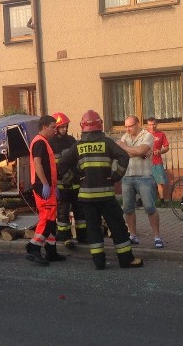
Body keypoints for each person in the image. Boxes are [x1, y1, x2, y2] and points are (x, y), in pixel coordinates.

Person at [58, 110, 141, 270]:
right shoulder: (107, 143)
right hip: (106, 195)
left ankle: (99, 262)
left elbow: (62, 164)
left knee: (93, 228)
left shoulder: (78, 146)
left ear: (83, 126)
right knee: (117, 226)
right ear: (100, 125)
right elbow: (124, 157)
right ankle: (126, 260)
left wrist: (74, 178)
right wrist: (116, 176)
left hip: (86, 197)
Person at [26, 115, 66, 265]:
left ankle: (51, 251)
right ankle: (33, 247)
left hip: (46, 186)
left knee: (50, 218)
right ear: (44, 128)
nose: (55, 130)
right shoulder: (40, 142)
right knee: (47, 219)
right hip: (42, 186)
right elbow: (38, 165)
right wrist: (45, 184)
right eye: (53, 127)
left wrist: (52, 186)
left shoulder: (42, 142)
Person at [118, 116, 163, 249]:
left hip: (144, 177)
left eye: (130, 126)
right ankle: (133, 235)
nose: (127, 129)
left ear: (137, 124)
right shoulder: (125, 137)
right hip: (127, 176)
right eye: (126, 126)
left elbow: (141, 150)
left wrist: (126, 148)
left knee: (149, 207)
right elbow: (125, 154)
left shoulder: (147, 136)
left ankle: (157, 236)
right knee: (128, 208)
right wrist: (135, 152)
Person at [49, 112, 86, 249]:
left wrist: (77, 174)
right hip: (61, 184)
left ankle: (83, 236)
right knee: (63, 212)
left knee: (80, 210)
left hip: (75, 181)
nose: (64, 129)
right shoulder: (51, 143)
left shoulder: (71, 140)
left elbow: (78, 158)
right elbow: (53, 165)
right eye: (61, 127)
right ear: (56, 128)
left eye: (66, 126)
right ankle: (65, 237)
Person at [145, 117, 169, 207]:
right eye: (150, 125)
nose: (152, 126)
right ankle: (143, 200)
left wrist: (160, 151)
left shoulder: (161, 134)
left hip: (157, 162)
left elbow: (167, 147)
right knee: (145, 182)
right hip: (146, 162)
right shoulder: (144, 134)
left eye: (154, 124)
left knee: (160, 182)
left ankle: (162, 201)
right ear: (148, 125)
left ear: (157, 124)